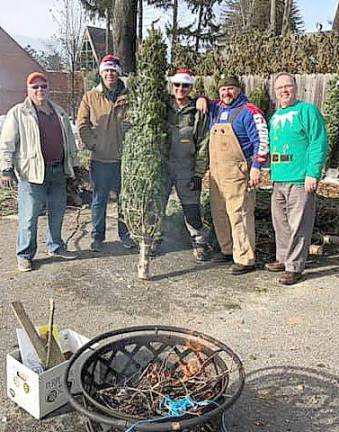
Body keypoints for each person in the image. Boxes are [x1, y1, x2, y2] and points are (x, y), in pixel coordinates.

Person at [0, 72, 79, 272]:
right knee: (29, 217)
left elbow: (70, 142)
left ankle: (56, 246)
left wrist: (74, 167)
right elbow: (6, 143)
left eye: (43, 86)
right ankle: (25, 254)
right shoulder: (18, 113)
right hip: (32, 174)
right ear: (28, 90)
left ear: (48, 88)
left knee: (57, 213)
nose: (39, 90)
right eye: (35, 87)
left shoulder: (59, 112)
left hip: (57, 171)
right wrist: (6, 168)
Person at [197, 76, 269, 274]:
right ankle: (228, 249)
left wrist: (257, 166)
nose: (226, 93)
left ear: (239, 90)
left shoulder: (249, 112)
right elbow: (200, 99)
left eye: (230, 89)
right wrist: (201, 97)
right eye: (223, 89)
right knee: (219, 212)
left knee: (240, 214)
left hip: (238, 172)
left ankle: (246, 259)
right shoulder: (217, 108)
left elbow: (262, 140)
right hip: (217, 172)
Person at [265, 72, 328, 285]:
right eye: (280, 87)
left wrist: (313, 173)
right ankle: (283, 259)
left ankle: (295, 267)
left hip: (300, 180)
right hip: (279, 179)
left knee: (298, 224)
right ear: (275, 92)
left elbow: (318, 142)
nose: (284, 90)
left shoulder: (307, 111)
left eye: (288, 86)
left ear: (295, 88)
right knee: (280, 223)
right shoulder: (274, 117)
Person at [77, 54, 134, 252]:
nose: (110, 74)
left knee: (124, 199)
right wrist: (94, 144)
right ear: (102, 73)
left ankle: (126, 235)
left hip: (123, 159)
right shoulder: (91, 97)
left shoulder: (129, 96)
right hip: (100, 159)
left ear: (118, 74)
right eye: (107, 70)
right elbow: (82, 124)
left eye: (113, 71)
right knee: (99, 200)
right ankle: (97, 237)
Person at [154, 69, 211, 262]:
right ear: (172, 86)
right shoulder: (162, 105)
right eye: (177, 85)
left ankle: (200, 241)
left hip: (186, 167)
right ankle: (155, 238)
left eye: (185, 85)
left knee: (191, 209)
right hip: (163, 165)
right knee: (157, 205)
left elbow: (203, 142)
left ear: (191, 87)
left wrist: (198, 174)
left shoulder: (197, 111)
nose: (180, 89)